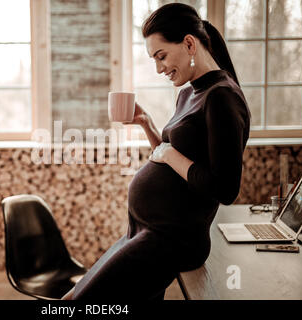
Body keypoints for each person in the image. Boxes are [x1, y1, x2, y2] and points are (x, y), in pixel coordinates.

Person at [62, 3, 251, 301]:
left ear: (189, 43)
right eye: (154, 59)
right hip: (143, 229)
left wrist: (168, 154)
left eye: (161, 56)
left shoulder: (222, 98)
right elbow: (169, 162)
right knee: (74, 295)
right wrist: (148, 125)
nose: (159, 68)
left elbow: (225, 189)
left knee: (77, 302)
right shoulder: (190, 92)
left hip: (173, 238)